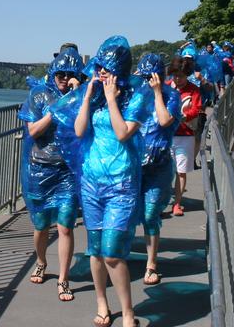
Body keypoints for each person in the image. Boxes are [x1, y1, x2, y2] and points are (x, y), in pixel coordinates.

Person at [51, 35, 146, 327]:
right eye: (99, 67)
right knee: (94, 249)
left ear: (119, 69)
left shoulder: (136, 96)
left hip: (121, 185)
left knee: (113, 252)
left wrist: (110, 99)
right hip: (91, 184)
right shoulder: (94, 98)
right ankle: (102, 304)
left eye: (106, 67)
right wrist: (89, 95)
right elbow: (79, 131)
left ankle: (128, 312)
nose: (100, 72)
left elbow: (122, 133)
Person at [18, 46, 83, 301]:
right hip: (40, 168)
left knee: (66, 227)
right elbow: (33, 131)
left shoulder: (81, 95)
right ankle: (42, 261)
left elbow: (86, 128)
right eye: (62, 74)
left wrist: (77, 96)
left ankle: (64, 279)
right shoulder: (39, 95)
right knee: (41, 225)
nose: (66, 79)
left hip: (67, 171)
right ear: (54, 72)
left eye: (71, 74)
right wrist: (57, 110)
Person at [128, 53, 181, 286]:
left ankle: (151, 264)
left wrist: (158, 92)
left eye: (152, 76)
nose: (147, 81)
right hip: (133, 166)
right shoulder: (135, 96)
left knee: (150, 215)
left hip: (158, 167)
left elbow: (163, 121)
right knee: (127, 212)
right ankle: (119, 254)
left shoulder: (172, 96)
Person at [168, 55, 201, 217]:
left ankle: (177, 203)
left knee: (181, 172)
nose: (177, 79)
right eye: (175, 75)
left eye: (180, 76)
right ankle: (160, 203)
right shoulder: (167, 87)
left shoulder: (193, 89)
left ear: (186, 75)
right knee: (165, 171)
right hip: (166, 136)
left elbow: (197, 109)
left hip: (185, 135)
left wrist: (183, 116)